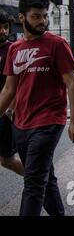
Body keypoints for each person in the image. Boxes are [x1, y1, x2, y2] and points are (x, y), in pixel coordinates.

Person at [0, 0, 74, 216]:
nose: (42, 22)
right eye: (36, 17)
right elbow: (9, 90)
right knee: (45, 178)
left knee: (33, 183)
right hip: (21, 123)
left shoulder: (57, 44)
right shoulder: (14, 50)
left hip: (48, 121)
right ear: (22, 17)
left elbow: (72, 83)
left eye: (45, 16)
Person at [0, 10, 24, 176]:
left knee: (7, 159)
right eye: (0, 27)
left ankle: (39, 182)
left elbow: (19, 83)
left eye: (6, 27)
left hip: (6, 113)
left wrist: (10, 110)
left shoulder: (13, 50)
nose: (3, 31)